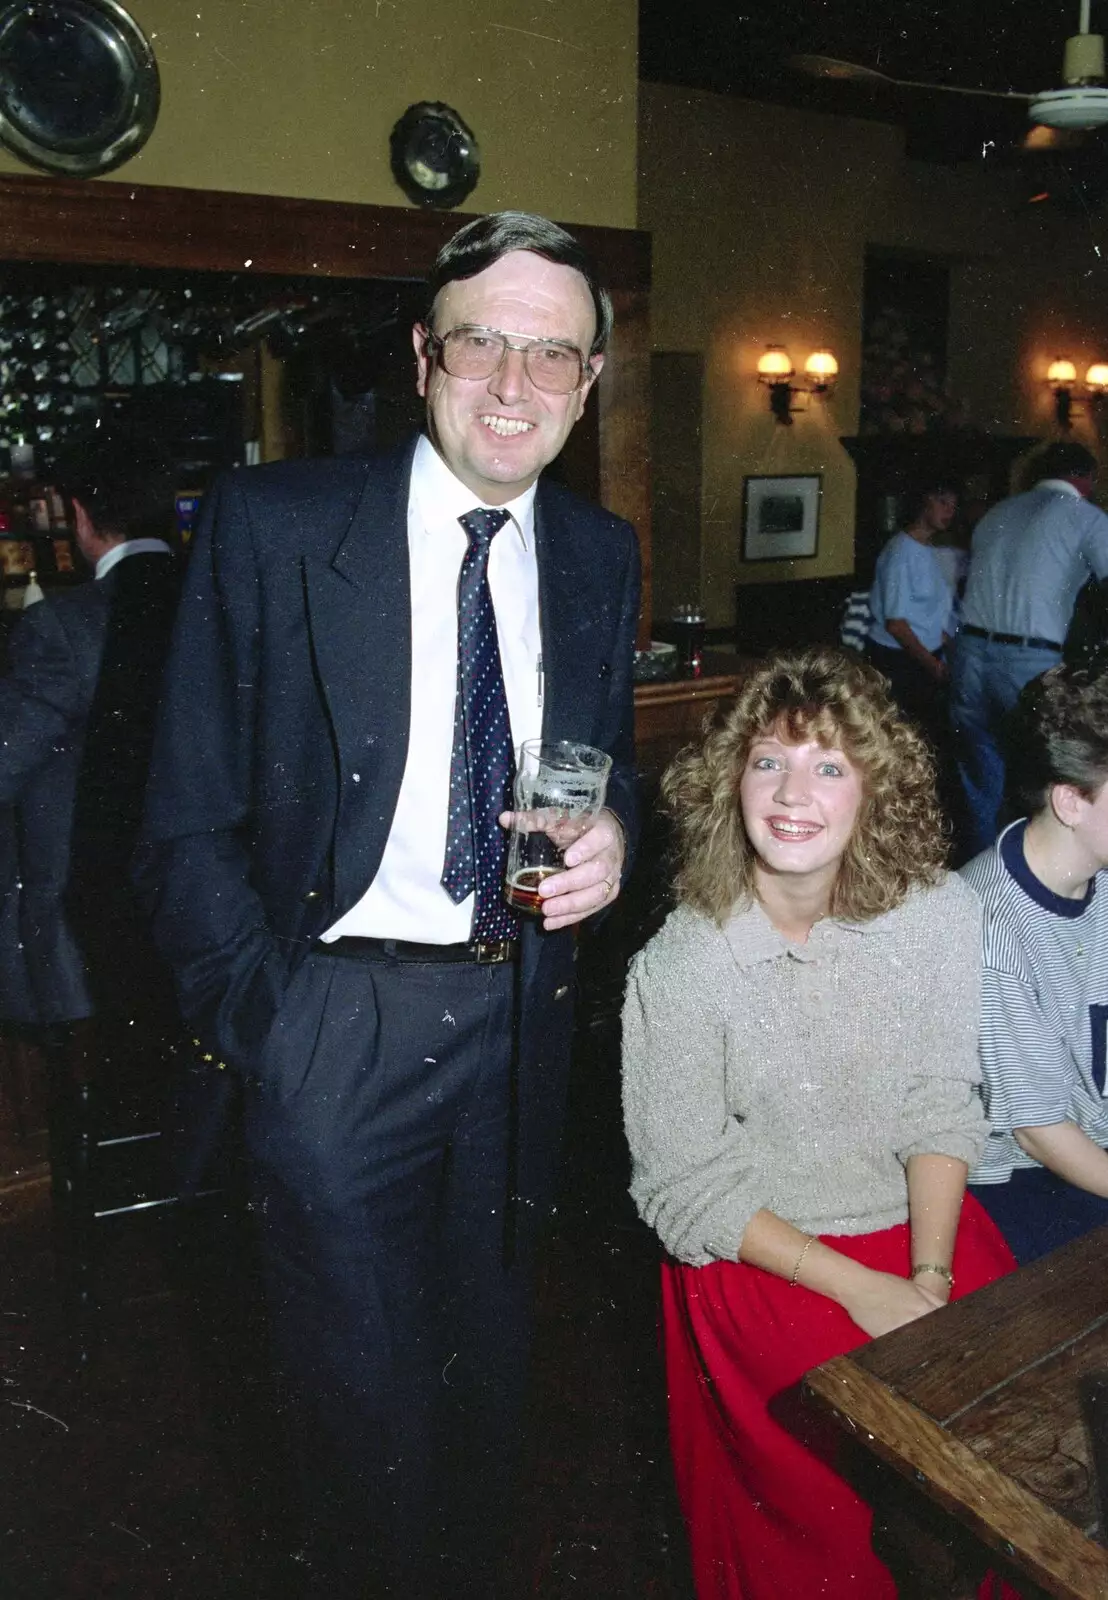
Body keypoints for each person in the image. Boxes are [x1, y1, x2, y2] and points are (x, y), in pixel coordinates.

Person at [136, 211, 640, 1599]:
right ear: (424, 357)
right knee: (354, 1414)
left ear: (590, 383)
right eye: (483, 342)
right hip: (336, 1022)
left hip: (516, 1019)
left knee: (488, 1394)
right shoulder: (280, 527)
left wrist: (611, 842)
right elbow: (178, 822)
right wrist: (278, 1026)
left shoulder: (600, 552)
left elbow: (605, 775)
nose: (515, 387)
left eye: (555, 356)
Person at [621, 646, 1015, 1600]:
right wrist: (869, 1297)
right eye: (769, 761)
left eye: (830, 766)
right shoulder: (680, 966)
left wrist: (926, 1274)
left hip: (920, 1221)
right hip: (763, 1253)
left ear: (876, 789)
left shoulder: (940, 915)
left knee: (1018, 1433)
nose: (793, 793)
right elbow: (688, 1191)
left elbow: (938, 1102)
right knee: (845, 1513)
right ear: (730, 782)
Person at [0, 462, 178, 1031]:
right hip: (207, 924)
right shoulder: (227, 606)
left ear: (79, 516)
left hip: (85, 929)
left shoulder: (61, 627)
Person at [965, 661, 1108, 1264]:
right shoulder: (991, 930)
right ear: (1071, 801)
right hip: (1029, 1179)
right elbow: (1039, 1131)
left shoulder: (1094, 874)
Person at [951, 441, 1108, 856]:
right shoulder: (1086, 517)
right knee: (1045, 772)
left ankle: (980, 872)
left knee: (980, 772)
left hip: (968, 653)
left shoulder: (997, 513)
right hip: (1028, 659)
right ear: (1086, 477)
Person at [866, 479, 959, 749]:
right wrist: (934, 666)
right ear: (923, 502)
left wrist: (949, 651)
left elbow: (929, 615)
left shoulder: (928, 550)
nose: (949, 512)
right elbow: (897, 624)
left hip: (924, 659)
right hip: (900, 662)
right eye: (942, 503)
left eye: (953, 506)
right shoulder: (900, 552)